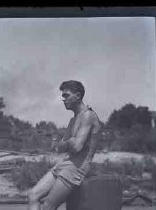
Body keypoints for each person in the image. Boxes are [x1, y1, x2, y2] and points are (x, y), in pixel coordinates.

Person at [28, 80, 101, 210]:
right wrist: (69, 142)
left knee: (48, 206)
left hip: (77, 167)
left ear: (78, 96)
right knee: (32, 195)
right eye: (63, 96)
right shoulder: (73, 119)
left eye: (66, 95)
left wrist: (66, 144)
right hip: (66, 162)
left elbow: (77, 146)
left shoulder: (88, 115)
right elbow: (58, 148)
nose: (63, 99)